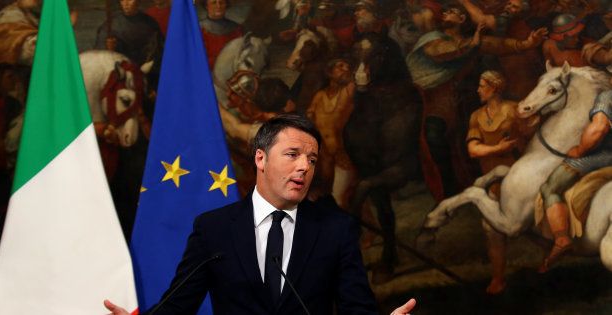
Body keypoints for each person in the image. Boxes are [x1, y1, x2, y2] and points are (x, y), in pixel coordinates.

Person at [104, 114, 416, 314]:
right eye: (293, 155)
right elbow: (177, 306)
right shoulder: (214, 229)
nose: (304, 167)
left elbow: (356, 308)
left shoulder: (336, 229)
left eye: (312, 159)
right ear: (260, 158)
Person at [406, 4, 546, 201]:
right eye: (444, 11)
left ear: (462, 19)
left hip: (467, 101)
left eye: (451, 11)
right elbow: (441, 51)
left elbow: (498, 45)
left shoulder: (472, 40)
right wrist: (472, 44)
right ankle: (450, 192)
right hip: (438, 103)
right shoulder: (432, 39)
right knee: (434, 135)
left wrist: (526, 44)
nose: (445, 13)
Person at [465, 70, 538, 294]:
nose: (478, 90)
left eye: (482, 85)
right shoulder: (476, 116)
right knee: (492, 230)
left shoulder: (513, 109)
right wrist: (498, 148)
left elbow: (532, 130)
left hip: (517, 176)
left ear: (494, 87)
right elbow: (473, 150)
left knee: (530, 223)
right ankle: (498, 278)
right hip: (491, 181)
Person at [538, 90, 612, 273]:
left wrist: (579, 149)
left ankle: (562, 239)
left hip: (606, 157)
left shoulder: (608, 97)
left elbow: (599, 129)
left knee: (550, 187)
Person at [306, 59, 356, 209]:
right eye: (340, 66)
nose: (346, 68)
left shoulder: (348, 90)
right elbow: (309, 118)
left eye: (347, 66)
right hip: (324, 156)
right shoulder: (320, 95)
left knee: (340, 199)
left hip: (343, 154)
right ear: (329, 72)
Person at [199, 0, 244, 70]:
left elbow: (240, 56)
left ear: (226, 5)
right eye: (214, 3)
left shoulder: (236, 28)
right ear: (206, 6)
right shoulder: (198, 29)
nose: (218, 6)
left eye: (222, 3)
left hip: (231, 73)